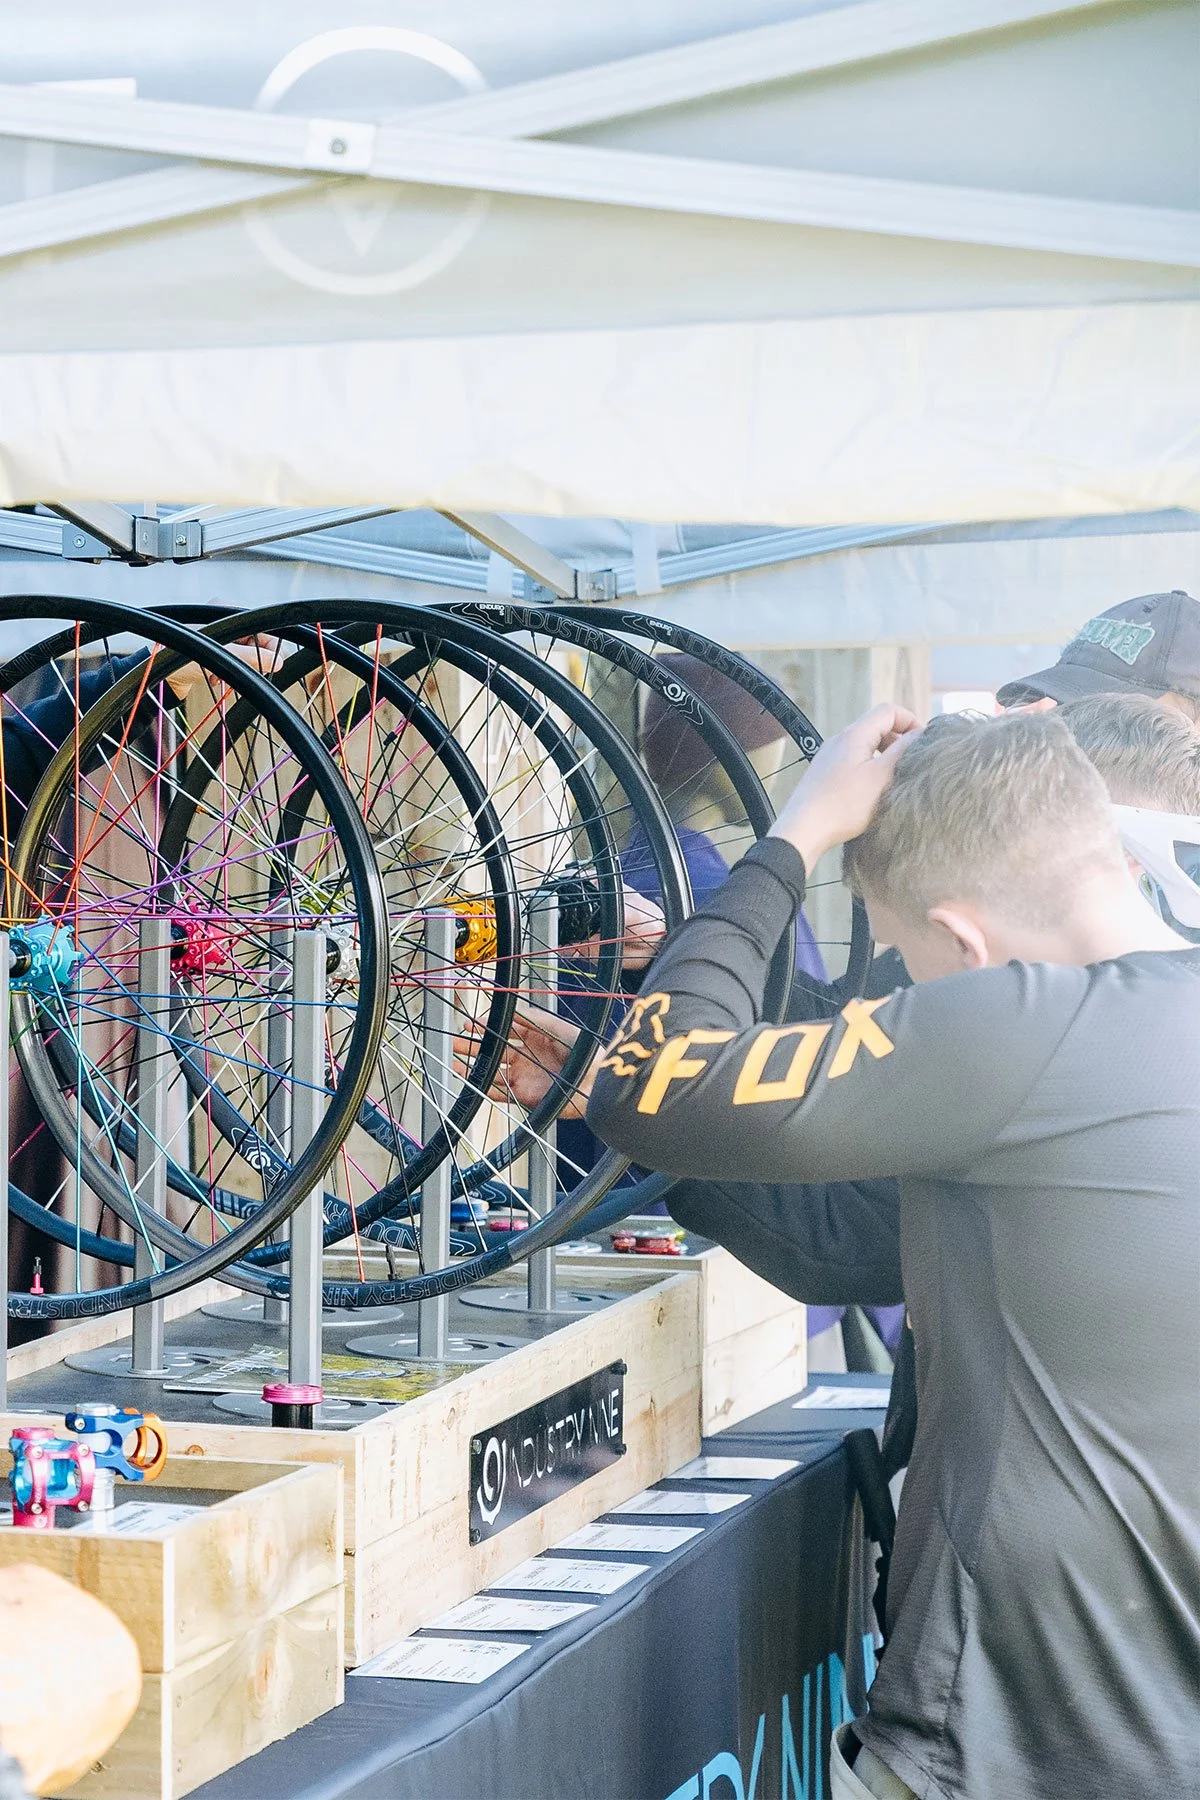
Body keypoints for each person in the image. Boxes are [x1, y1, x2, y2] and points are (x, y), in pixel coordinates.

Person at [587, 705, 1200, 1800]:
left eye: (907, 953)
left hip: (1012, 1749)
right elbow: (854, 1237)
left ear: (964, 943)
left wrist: (794, 836)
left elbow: (654, 1083)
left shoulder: (1018, 1024)